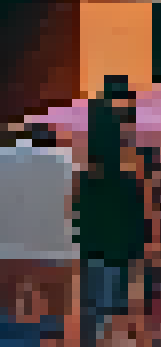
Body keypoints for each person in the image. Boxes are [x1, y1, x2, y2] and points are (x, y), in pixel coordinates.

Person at [71, 125, 148, 347]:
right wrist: (137, 255)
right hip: (118, 256)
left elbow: (77, 217)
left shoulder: (85, 181)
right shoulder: (128, 182)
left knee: (92, 313)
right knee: (112, 312)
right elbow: (136, 222)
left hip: (91, 254)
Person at [0, 123, 74, 338]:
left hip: (9, 244)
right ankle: (51, 336)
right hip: (54, 244)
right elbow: (72, 202)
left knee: (6, 306)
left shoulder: (6, 158)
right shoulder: (63, 162)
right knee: (55, 307)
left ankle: (9, 337)